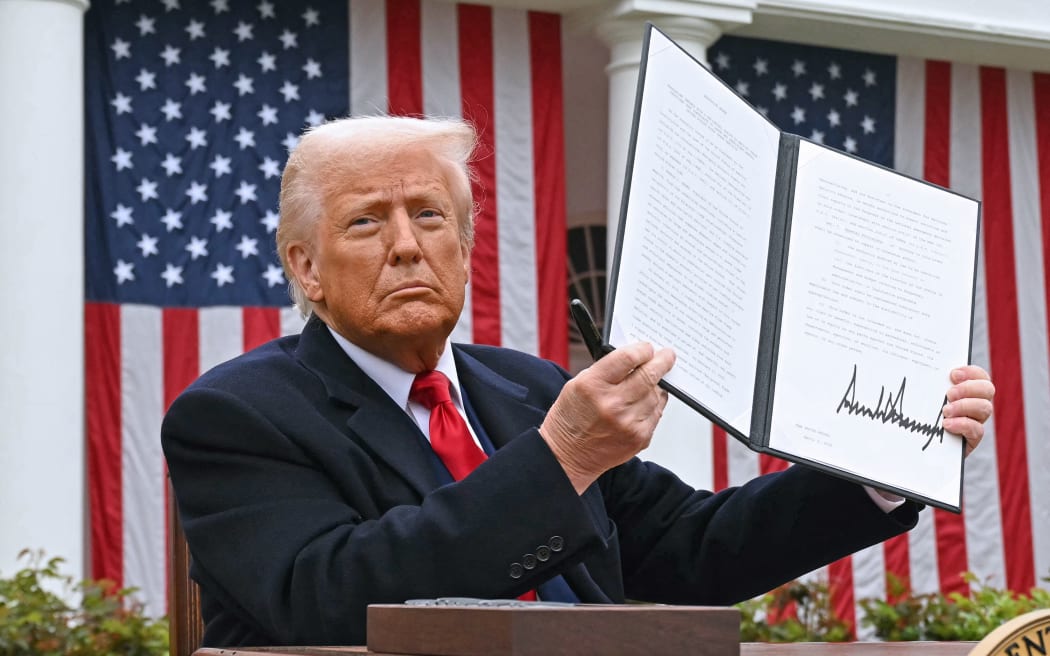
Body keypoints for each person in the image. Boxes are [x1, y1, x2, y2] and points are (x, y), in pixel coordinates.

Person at [161, 115, 995, 648]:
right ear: (306, 268)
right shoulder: (235, 414)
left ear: (465, 247)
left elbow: (688, 551)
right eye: (366, 221)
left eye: (430, 215)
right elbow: (329, 601)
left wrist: (882, 467)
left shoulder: (525, 387)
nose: (407, 245)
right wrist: (561, 457)